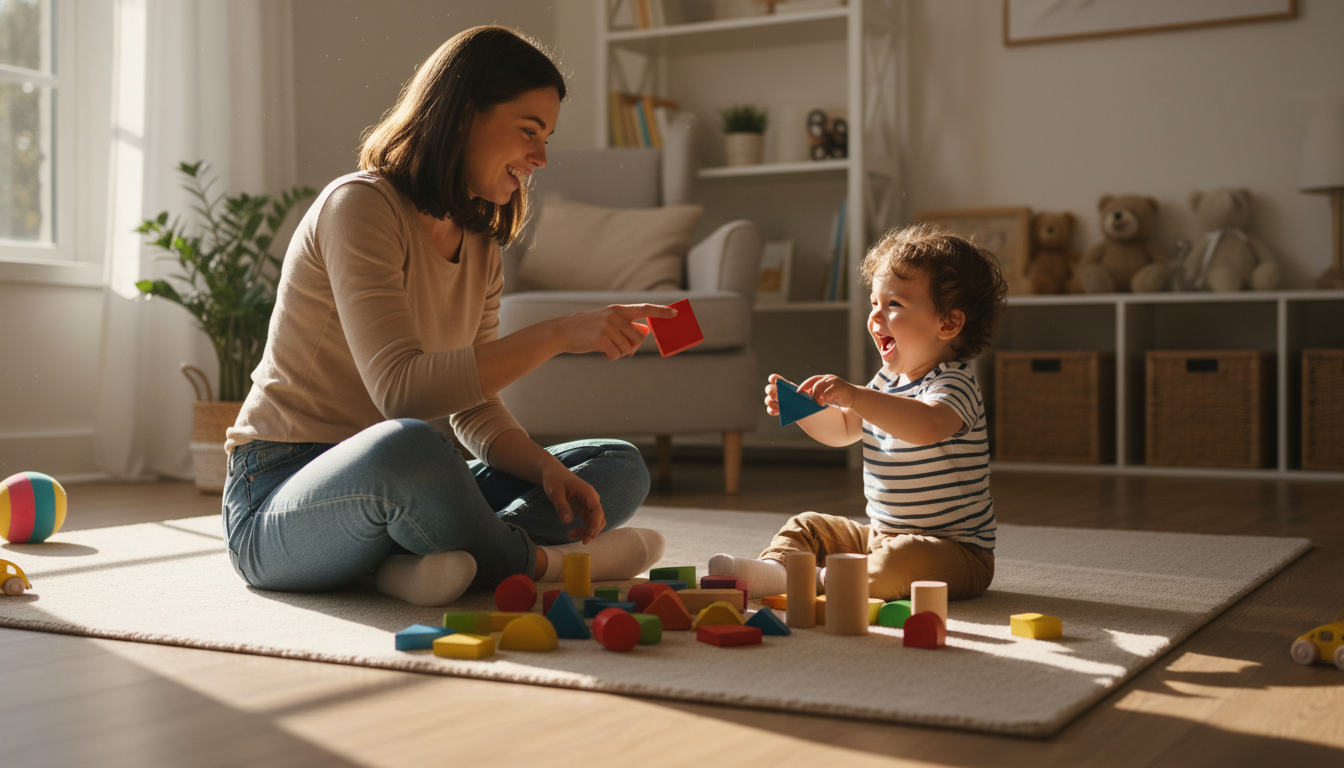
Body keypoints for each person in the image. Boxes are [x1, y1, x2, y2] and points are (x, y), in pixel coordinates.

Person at [222, 26, 672, 607]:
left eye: (547, 138)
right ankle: (536, 563)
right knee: (407, 446)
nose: (540, 158)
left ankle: (411, 562)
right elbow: (400, 392)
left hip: (406, 485)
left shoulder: (482, 242)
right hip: (281, 490)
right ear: (462, 115)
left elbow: (476, 406)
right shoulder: (358, 206)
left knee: (615, 467)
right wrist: (560, 333)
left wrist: (542, 468)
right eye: (529, 132)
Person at [709, 224, 1008, 602]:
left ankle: (811, 579)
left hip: (956, 551)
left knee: (899, 562)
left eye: (894, 305)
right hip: (881, 536)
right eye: (874, 304)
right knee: (809, 526)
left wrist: (856, 396)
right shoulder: (886, 381)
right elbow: (843, 429)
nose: (876, 317)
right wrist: (801, 409)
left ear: (947, 323)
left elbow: (927, 425)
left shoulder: (954, 383)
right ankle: (775, 570)